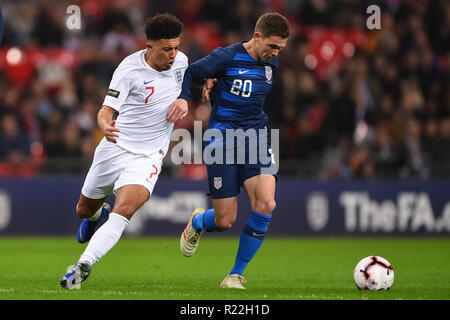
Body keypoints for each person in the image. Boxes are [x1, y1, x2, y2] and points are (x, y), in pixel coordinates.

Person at [59, 13, 188, 289]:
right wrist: (106, 126)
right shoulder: (129, 70)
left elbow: (195, 78)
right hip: (115, 146)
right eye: (167, 49)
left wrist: (187, 98)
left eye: (177, 47)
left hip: (149, 156)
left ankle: (83, 264)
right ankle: (96, 216)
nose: (174, 54)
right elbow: (106, 110)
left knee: (125, 209)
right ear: (149, 46)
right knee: (84, 210)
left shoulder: (183, 62)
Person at [169, 12, 290, 289]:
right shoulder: (227, 56)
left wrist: (217, 82)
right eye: (272, 46)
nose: (275, 53)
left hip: (256, 139)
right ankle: (199, 222)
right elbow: (192, 72)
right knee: (225, 220)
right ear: (257, 36)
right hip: (222, 141)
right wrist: (187, 96)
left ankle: (235, 275)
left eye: (280, 49)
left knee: (266, 203)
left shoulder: (272, 64)